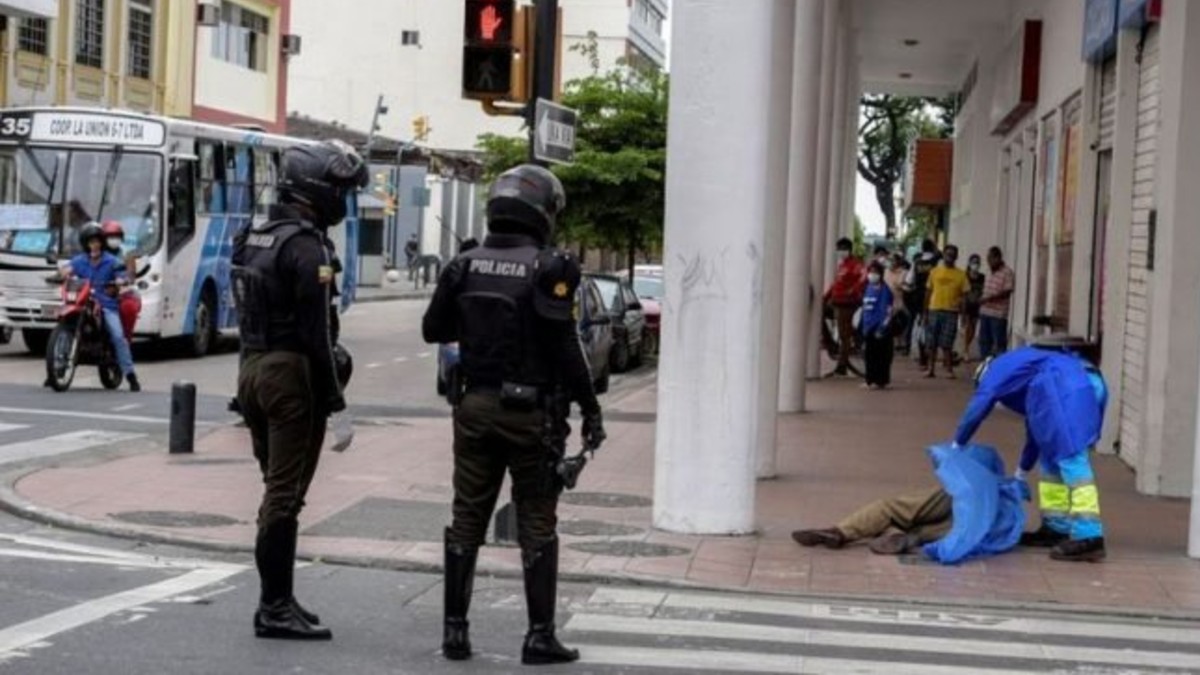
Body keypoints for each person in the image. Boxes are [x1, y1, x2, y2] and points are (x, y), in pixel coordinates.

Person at [422, 164, 607, 665]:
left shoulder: (464, 265)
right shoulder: (551, 268)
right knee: (536, 522)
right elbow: (567, 347)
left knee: (466, 517)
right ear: (543, 211)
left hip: (475, 408)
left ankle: (455, 633)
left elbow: (432, 329)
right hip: (531, 414)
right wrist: (591, 409)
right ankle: (539, 636)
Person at [231, 140, 368, 640]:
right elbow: (317, 334)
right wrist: (336, 403)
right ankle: (273, 607)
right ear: (318, 190)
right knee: (284, 497)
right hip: (291, 378)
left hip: (253, 371)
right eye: (340, 191)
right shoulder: (308, 246)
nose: (343, 201)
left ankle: (281, 597)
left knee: (276, 491)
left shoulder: (256, 234)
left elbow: (246, 312)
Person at [955, 346, 1109, 562]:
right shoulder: (1026, 373)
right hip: (1078, 382)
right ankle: (1056, 526)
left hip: (1068, 386)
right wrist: (1021, 471)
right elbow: (1036, 432)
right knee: (1051, 460)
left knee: (1072, 459)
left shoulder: (995, 371)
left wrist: (957, 444)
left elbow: (980, 403)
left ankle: (1090, 536)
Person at [65, 222, 140, 391]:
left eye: (98, 241)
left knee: (118, 336)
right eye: (91, 242)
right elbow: (66, 269)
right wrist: (58, 274)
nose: (95, 245)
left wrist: (121, 280)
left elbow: (124, 275)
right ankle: (55, 370)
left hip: (106, 305)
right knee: (64, 325)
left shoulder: (113, 260)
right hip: (82, 303)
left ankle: (130, 375)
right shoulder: (79, 260)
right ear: (86, 244)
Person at [792, 487, 952, 555]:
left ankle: (839, 532)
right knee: (935, 528)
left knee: (891, 509)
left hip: (961, 494)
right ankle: (903, 537)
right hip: (963, 513)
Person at [924, 244, 970, 379]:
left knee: (947, 343)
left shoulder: (961, 275)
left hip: (951, 312)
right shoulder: (934, 272)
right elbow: (928, 292)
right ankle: (930, 369)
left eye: (952, 254)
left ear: (956, 257)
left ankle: (949, 370)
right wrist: (925, 312)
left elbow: (965, 296)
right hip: (934, 310)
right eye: (947, 254)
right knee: (931, 343)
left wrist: (964, 315)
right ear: (943, 255)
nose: (949, 256)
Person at [824, 237, 866, 376]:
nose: (840, 252)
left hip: (847, 303)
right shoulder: (842, 265)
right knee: (820, 315)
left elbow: (863, 279)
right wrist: (826, 296)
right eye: (839, 249)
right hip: (836, 301)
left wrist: (852, 290)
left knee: (844, 335)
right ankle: (832, 346)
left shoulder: (855, 265)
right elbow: (835, 283)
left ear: (848, 249)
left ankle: (842, 364)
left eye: (842, 249)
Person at [101, 221, 142, 342]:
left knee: (128, 307)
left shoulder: (126, 254)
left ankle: (125, 341)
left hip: (120, 293)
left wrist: (124, 280)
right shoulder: (97, 253)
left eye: (117, 236)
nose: (114, 239)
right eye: (110, 236)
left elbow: (130, 274)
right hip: (98, 292)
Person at [860, 260, 894, 390]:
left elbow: (887, 311)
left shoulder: (884, 290)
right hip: (868, 327)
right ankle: (871, 379)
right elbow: (865, 308)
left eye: (875, 272)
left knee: (880, 356)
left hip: (878, 328)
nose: (872, 275)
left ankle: (879, 380)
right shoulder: (868, 288)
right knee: (869, 355)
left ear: (881, 274)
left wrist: (882, 328)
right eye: (870, 272)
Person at [978, 246, 1015, 359]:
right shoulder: (989, 272)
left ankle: (999, 368)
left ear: (998, 258)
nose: (988, 262)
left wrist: (989, 298)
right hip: (985, 312)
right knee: (984, 342)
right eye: (987, 259)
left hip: (998, 315)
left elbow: (1007, 291)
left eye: (990, 259)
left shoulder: (1007, 272)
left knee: (999, 343)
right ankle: (985, 366)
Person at [961, 253, 986, 362]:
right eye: (973, 262)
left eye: (977, 263)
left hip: (977, 304)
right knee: (968, 327)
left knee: (973, 328)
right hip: (967, 304)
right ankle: (966, 350)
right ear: (969, 263)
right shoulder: (965, 276)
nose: (975, 265)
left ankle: (966, 346)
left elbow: (983, 290)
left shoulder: (982, 277)